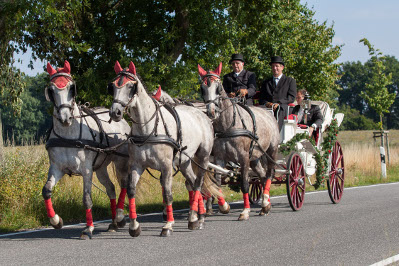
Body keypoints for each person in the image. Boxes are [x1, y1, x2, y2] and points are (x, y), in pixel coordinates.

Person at [259, 56, 296, 130]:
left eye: (277, 66)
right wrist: (267, 103)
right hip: (269, 106)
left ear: (282, 67)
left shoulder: (290, 81)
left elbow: (291, 97)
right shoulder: (266, 82)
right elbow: (261, 98)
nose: (275, 68)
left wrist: (279, 103)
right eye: (273, 66)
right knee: (259, 110)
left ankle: (276, 132)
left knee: (279, 109)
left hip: (283, 107)